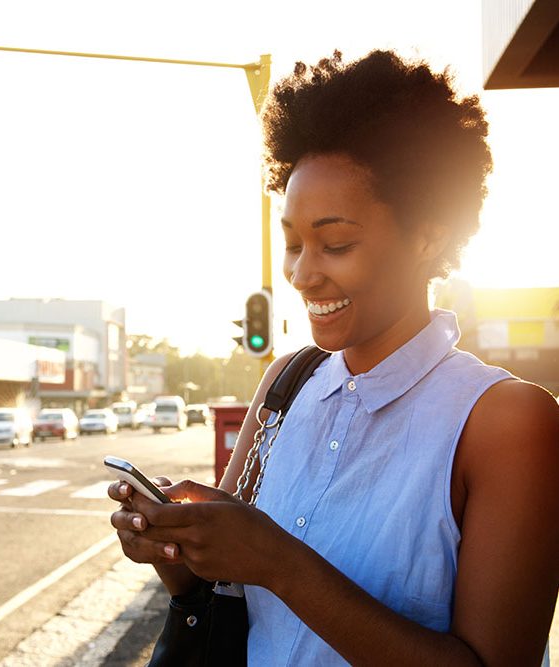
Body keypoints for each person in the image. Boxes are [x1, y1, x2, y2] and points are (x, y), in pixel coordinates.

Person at [109, 49, 559, 665]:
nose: (302, 273)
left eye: (336, 243)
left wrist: (278, 561)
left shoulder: (507, 423)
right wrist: (177, 549)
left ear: (427, 235)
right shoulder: (287, 382)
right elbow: (224, 597)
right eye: (294, 242)